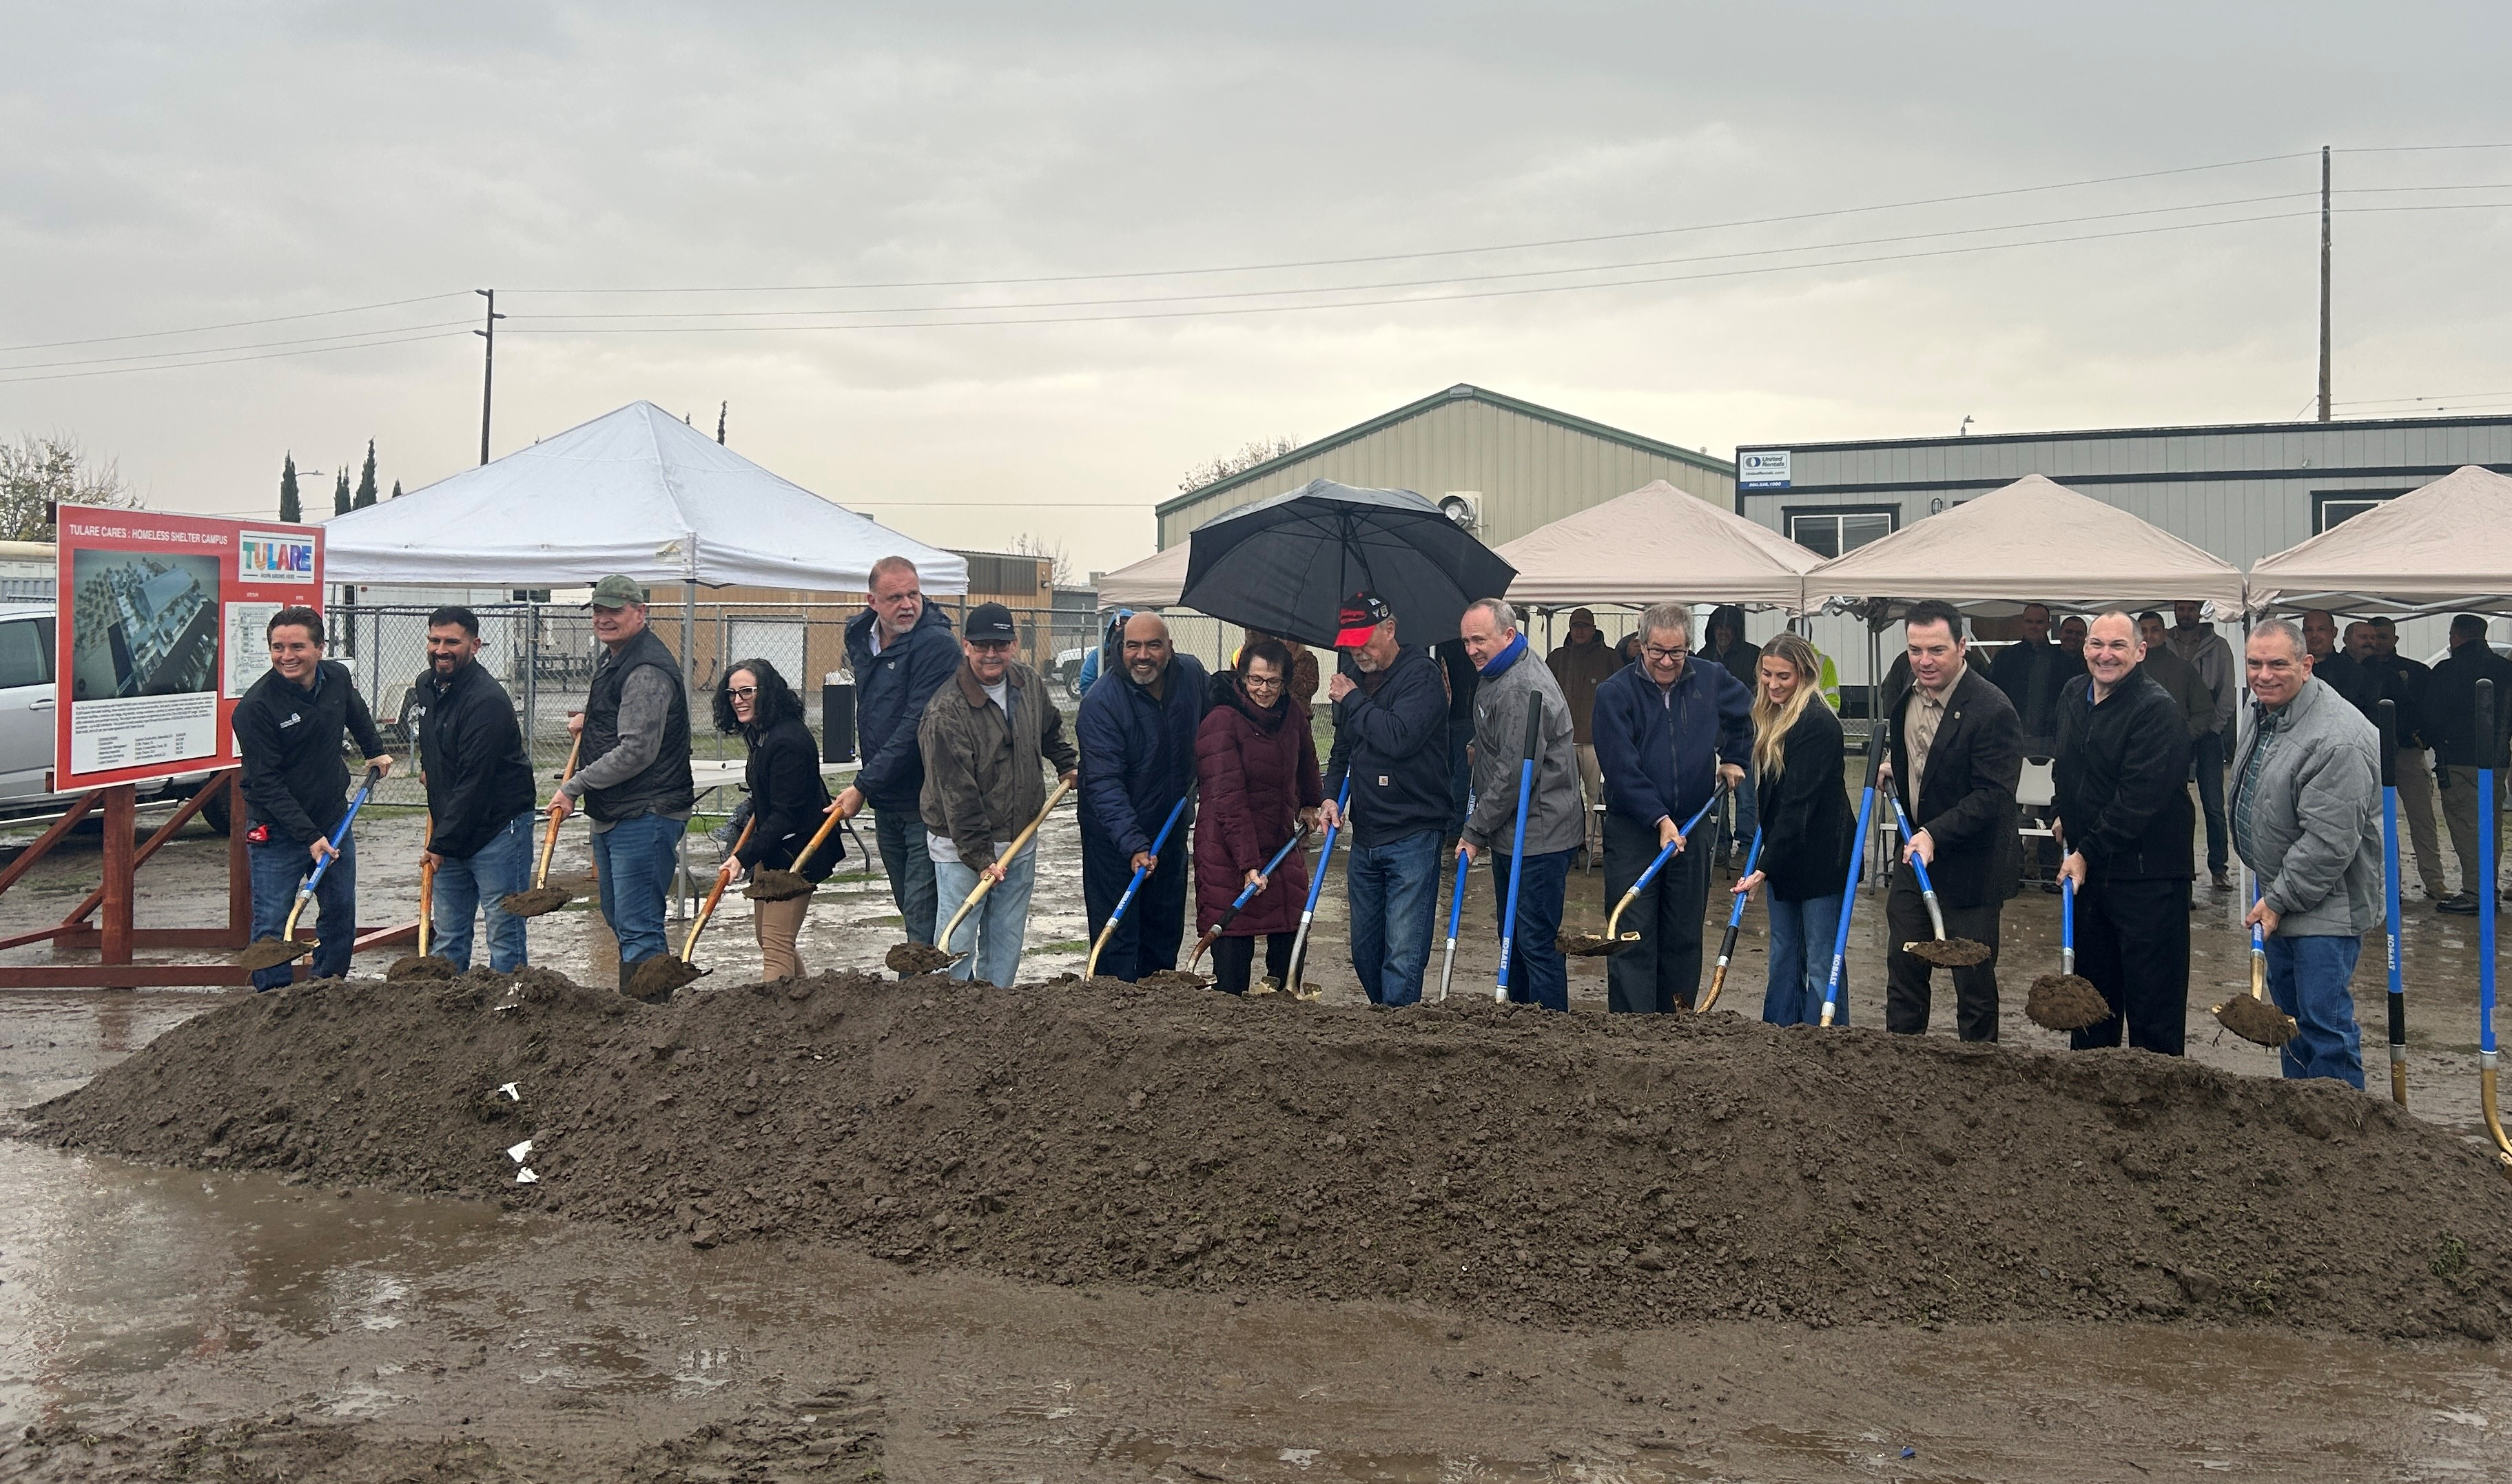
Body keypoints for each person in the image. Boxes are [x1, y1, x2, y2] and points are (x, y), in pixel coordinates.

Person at [2234, 618, 2379, 1088]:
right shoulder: (2264, 714)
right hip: (2284, 895)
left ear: (2307, 664)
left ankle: (2340, 1135)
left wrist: (2278, 899)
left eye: (2278, 664)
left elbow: (2328, 842)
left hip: (2326, 908)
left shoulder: (2337, 737)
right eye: (2255, 663)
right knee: (2289, 1026)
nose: (2264, 674)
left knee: (2324, 1027)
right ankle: (2300, 1126)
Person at [1592, 602, 1751, 1013]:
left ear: (1689, 648)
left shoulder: (1711, 679)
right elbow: (1621, 769)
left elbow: (1748, 716)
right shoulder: (1614, 693)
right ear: (1640, 646)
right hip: (1635, 830)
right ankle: (1632, 1029)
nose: (1667, 662)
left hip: (1693, 824)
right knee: (1633, 932)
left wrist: (1735, 756)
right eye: (1657, 652)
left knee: (1683, 932)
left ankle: (1676, 1023)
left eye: (1676, 653)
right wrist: (1659, 819)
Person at [546, 576, 697, 996]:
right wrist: (591, 719)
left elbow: (636, 752)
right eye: (598, 610)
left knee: (639, 925)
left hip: (645, 810)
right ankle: (641, 1014)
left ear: (640, 612)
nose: (604, 619)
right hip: (619, 810)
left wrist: (574, 786)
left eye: (614, 610)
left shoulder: (646, 669)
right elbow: (623, 721)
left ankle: (650, 1021)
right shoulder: (617, 659)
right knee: (618, 915)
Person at [2052, 612, 2196, 1054]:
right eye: (2097, 644)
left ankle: (2157, 1106)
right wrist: (2063, 814)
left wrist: (2085, 851)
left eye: (2117, 646)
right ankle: (2089, 1099)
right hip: (2093, 878)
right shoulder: (2074, 694)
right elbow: (2068, 766)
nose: (2105, 654)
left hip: (2148, 879)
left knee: (2153, 1008)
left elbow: (2138, 802)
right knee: (2091, 1005)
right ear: (2083, 648)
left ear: (2140, 651)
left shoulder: (2157, 710)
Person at [1880, 599, 2022, 1042]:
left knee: (1974, 984)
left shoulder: (1992, 710)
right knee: (1904, 971)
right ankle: (1901, 1066)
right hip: (1914, 860)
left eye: (1937, 650)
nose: (1924, 661)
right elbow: (1915, 751)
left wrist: (1934, 833)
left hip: (1972, 867)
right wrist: (1895, 769)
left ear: (1962, 646)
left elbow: (1993, 796)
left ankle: (1979, 1073)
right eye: (1915, 649)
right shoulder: (1904, 688)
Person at [235, 606, 395, 989]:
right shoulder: (256, 709)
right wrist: (309, 837)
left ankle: (327, 984)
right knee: (273, 919)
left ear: (321, 648)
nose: (286, 656)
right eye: (277, 647)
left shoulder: (336, 677)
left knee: (340, 910)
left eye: (296, 647)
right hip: (277, 828)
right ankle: (273, 997)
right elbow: (267, 784)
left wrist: (374, 748)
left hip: (333, 818)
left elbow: (354, 710)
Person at [919, 604, 1078, 987]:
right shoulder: (946, 712)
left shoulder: (1026, 682)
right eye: (984, 645)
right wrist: (981, 858)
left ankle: (996, 1010)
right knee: (958, 936)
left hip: (1020, 831)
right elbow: (958, 795)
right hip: (961, 844)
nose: (993, 654)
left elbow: (1049, 728)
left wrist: (1065, 762)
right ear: (967, 645)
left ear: (1015, 644)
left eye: (1002, 644)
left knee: (1006, 933)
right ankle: (952, 1009)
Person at [1321, 592, 1451, 1006]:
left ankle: (1399, 1037)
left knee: (1402, 953)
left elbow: (1398, 737)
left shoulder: (1421, 675)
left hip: (1413, 831)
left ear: (1390, 630)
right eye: (1349, 641)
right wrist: (1329, 796)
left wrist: (1353, 699)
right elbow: (1342, 747)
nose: (1357, 650)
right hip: (1367, 834)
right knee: (1364, 949)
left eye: (1365, 639)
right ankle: (1384, 1021)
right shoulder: (1352, 678)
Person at [1458, 598, 1582, 1011]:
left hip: (1540, 833)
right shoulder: (1499, 670)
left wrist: (1474, 831)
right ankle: (1520, 1022)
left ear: (1508, 635)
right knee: (1512, 935)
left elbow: (1514, 775)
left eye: (1480, 640)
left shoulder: (1521, 687)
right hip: (1514, 831)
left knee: (1534, 940)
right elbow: (1505, 742)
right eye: (1466, 642)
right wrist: (1482, 743)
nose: (1472, 649)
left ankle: (1549, 1032)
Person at [834, 557, 958, 949]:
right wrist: (873, 788)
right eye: (895, 597)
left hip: (927, 801)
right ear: (872, 601)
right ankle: (948, 990)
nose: (907, 604)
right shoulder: (861, 637)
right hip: (887, 801)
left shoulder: (936, 645)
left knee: (922, 915)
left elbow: (913, 726)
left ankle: (923, 997)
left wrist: (862, 786)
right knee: (909, 904)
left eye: (913, 594)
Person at [1078, 612, 1208, 981]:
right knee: (1118, 937)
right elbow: (1104, 785)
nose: (1143, 655)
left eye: (1153, 645)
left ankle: (1156, 1015)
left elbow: (1216, 726)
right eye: (1133, 646)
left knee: (1164, 931)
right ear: (1121, 648)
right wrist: (1133, 844)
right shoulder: (1101, 702)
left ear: (1169, 648)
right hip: (1113, 839)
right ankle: (1112, 1017)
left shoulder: (1191, 677)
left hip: (1170, 828)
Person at [1733, 633, 1855, 1026]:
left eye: (1783, 676)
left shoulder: (1817, 724)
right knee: (1784, 949)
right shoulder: (1772, 719)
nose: (1772, 684)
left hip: (1821, 855)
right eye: (1766, 674)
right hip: (1786, 853)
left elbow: (1799, 805)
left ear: (1804, 674)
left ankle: (1828, 1040)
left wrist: (1763, 868)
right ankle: (1778, 1032)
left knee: (1821, 958)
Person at [1193, 637, 1322, 995]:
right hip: (1228, 853)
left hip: (1280, 845)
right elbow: (1226, 800)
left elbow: (1308, 760)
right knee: (1234, 954)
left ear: (1285, 681)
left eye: (1273, 682)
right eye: (1256, 680)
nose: (1264, 689)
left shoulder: (1292, 714)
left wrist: (1311, 801)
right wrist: (1248, 863)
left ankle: (1284, 1017)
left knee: (1290, 936)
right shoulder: (1221, 722)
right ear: (1242, 677)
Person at [411, 606, 536, 974]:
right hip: (453, 825)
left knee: (504, 929)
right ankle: (449, 1011)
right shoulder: (427, 687)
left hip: (498, 827)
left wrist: (439, 845)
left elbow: (475, 782)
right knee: (448, 932)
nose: (441, 649)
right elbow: (436, 745)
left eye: (453, 641)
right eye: (435, 640)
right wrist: (430, 771)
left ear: (475, 645)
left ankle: (509, 1005)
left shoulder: (487, 701)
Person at [712, 659, 834, 981]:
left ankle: (774, 1023)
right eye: (733, 693)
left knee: (777, 944)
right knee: (768, 938)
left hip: (799, 852)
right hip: (773, 850)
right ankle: (804, 999)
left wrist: (741, 858)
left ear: (767, 693)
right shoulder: (762, 735)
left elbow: (785, 814)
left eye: (747, 691)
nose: (738, 699)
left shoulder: (787, 741)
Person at [2425, 614, 2512, 914]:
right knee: (2492, 827)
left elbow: (2433, 718)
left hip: (2458, 761)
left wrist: (2427, 740)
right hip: (2497, 761)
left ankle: (2477, 893)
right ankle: (2488, 888)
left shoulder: (2447, 671)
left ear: (2455, 636)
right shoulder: (2506, 670)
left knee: (2466, 828)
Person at [2367, 615, 2451, 902]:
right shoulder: (2356, 672)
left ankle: (2434, 880)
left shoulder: (2416, 672)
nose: (2377, 642)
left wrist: (2423, 738)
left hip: (2407, 752)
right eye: (2372, 637)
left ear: (2395, 639)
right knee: (2376, 823)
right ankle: (2389, 884)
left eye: (2382, 637)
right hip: (2372, 754)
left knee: (2423, 819)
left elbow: (2431, 709)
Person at [2165, 600, 2238, 890]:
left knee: (2213, 804)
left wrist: (2214, 728)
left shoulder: (2219, 647)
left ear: (2199, 612)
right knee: (2173, 802)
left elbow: (2228, 691)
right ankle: (2177, 866)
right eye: (2181, 609)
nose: (2185, 615)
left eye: (2190, 609)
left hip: (2208, 734)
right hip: (2172, 731)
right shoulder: (2163, 644)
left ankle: (2219, 867)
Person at [1547, 606, 1620, 862]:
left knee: (1596, 799)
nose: (1579, 631)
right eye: (1575, 626)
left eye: (1584, 626)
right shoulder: (1556, 659)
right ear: (1569, 628)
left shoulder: (1610, 658)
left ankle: (1596, 848)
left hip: (1596, 740)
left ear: (1593, 629)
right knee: (1563, 798)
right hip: (1563, 740)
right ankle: (1568, 846)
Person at [1702, 605, 1764, 860]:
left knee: (1747, 797)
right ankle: (1721, 845)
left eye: (1728, 628)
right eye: (1719, 627)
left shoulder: (1753, 656)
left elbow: (1761, 693)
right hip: (1709, 738)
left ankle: (1747, 847)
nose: (1723, 633)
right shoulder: (1701, 657)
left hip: (1745, 738)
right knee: (1715, 799)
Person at [1990, 603, 2066, 754]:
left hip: (2052, 740)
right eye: (2029, 622)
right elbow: (1991, 697)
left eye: (2039, 622)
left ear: (2049, 625)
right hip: (2010, 737)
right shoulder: (2005, 658)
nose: (2034, 626)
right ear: (2022, 623)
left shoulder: (2062, 660)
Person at [2134, 611, 2213, 745]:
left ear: (2164, 634)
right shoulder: (2126, 668)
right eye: (2143, 631)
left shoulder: (2183, 669)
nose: (2149, 635)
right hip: (2134, 747)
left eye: (2155, 630)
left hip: (2175, 750)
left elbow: (2204, 711)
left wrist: (2183, 735)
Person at [1435, 636, 1477, 845]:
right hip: (1455, 718)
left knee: (1459, 776)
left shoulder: (1443, 641)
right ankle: (1453, 826)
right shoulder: (1446, 643)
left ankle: (1454, 826)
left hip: (1462, 718)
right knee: (1455, 776)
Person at [2303, 609, 2376, 713]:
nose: (2314, 635)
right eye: (2309, 630)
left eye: (2321, 630)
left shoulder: (2355, 672)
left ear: (2334, 632)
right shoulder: (2294, 669)